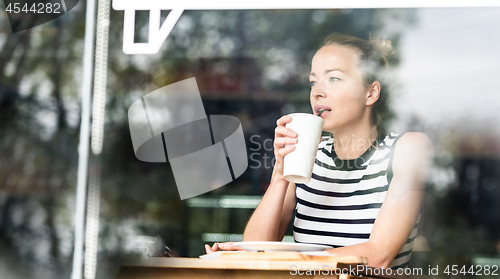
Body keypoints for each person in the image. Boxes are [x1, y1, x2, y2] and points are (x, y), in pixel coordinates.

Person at [205, 33, 433, 269]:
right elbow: (257, 249)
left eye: (333, 79)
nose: (317, 92)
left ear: (371, 93)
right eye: (313, 82)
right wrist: (281, 174)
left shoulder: (408, 148)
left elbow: (377, 256)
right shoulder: (307, 155)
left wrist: (286, 260)